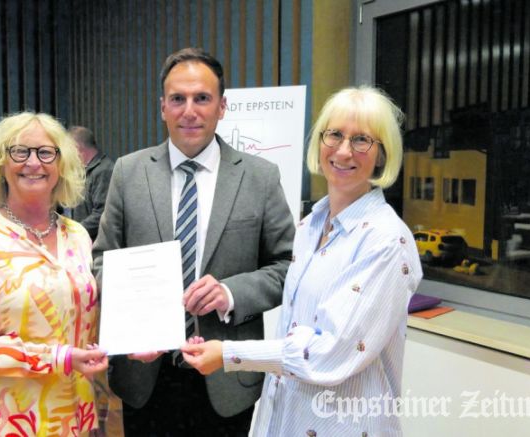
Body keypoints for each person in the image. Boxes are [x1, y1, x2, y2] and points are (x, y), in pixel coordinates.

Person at [181, 86, 423, 436]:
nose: (343, 151)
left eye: (361, 140)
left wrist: (228, 353)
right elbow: (294, 329)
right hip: (288, 417)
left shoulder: (386, 241)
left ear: (382, 155)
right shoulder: (310, 226)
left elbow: (329, 352)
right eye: (335, 135)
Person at [92, 47, 295, 435]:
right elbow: (102, 260)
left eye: (202, 98)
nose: (190, 110)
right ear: (162, 107)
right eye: (178, 99)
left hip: (227, 377)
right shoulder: (128, 172)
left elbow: (288, 266)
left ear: (221, 106)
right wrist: (130, 324)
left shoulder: (259, 178)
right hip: (144, 373)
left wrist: (231, 293)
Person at [0, 112, 114, 436]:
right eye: (20, 152)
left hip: (76, 413)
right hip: (7, 420)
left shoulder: (77, 235)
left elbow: (86, 318)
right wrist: (57, 357)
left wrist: (138, 340)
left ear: (61, 165)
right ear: (0, 164)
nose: (33, 162)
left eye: (46, 152)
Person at [69, 126, 115, 240]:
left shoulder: (104, 170)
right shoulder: (86, 169)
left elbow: (102, 214)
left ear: (77, 148)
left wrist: (72, 233)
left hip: (97, 246)